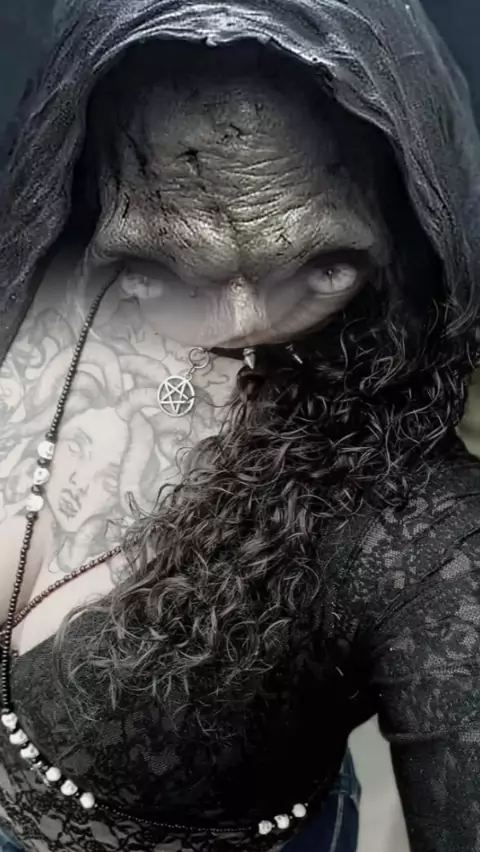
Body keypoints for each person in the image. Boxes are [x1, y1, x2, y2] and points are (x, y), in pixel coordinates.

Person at [1, 1, 480, 851]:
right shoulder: (37, 270)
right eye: (168, 257)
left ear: (405, 226)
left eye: (321, 264)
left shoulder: (417, 523)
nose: (239, 322)